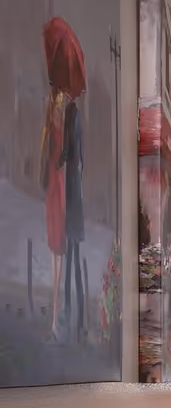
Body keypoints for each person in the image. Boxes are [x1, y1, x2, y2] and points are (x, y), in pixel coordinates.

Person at [39, 18, 87, 344]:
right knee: (58, 252)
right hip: (59, 186)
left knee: (59, 251)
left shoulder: (60, 109)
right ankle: (56, 315)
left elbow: (63, 153)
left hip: (59, 187)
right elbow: (67, 155)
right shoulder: (61, 108)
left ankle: (57, 316)